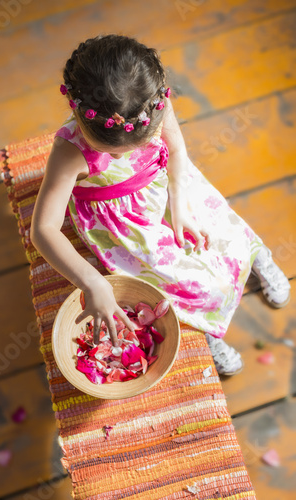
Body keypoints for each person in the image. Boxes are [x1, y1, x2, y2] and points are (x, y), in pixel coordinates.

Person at [30, 34, 291, 376]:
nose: (124, 155)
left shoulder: (151, 103)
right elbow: (44, 229)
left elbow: (178, 151)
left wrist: (179, 205)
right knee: (174, 280)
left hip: (168, 183)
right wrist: (93, 282)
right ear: (78, 115)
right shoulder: (69, 152)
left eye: (139, 142)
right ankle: (204, 327)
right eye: (113, 153)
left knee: (223, 232)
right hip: (119, 216)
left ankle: (257, 257)